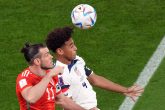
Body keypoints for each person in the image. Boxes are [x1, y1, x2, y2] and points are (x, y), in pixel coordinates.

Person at [45, 26, 143, 110]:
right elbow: (66, 104)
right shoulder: (60, 74)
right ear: (60, 51)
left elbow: (95, 79)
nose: (75, 48)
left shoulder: (77, 60)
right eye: (71, 46)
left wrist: (125, 90)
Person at [16, 43, 85, 110]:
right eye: (47, 55)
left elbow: (62, 99)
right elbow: (31, 98)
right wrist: (49, 75)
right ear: (37, 61)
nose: (51, 57)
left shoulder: (51, 75)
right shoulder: (24, 78)